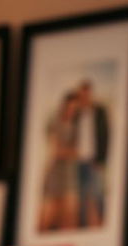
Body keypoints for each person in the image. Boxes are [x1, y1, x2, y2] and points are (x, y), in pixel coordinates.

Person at [39, 91, 81, 232]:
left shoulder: (76, 126)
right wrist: (72, 152)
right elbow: (55, 151)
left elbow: (79, 150)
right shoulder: (54, 122)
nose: (71, 111)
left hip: (70, 173)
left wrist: (71, 152)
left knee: (70, 216)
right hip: (54, 172)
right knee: (48, 215)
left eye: (75, 109)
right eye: (70, 108)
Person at [75, 79, 109, 227]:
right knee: (81, 195)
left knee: (98, 194)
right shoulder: (76, 114)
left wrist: (102, 159)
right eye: (82, 95)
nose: (85, 97)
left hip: (95, 159)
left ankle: (103, 224)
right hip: (78, 160)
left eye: (87, 94)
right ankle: (83, 226)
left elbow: (105, 135)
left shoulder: (99, 111)